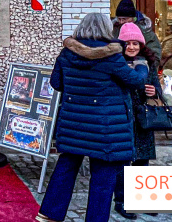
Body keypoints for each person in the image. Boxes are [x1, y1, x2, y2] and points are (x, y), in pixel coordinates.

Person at [36, 13, 147, 222]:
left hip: (73, 124)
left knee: (65, 168)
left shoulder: (66, 54)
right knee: (103, 179)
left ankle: (49, 214)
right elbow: (135, 81)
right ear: (106, 29)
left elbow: (56, 83)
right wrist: (142, 66)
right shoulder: (112, 56)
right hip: (105, 128)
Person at [113, 23, 162, 220]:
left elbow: (157, 89)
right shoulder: (115, 63)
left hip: (142, 119)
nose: (132, 47)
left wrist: (153, 91)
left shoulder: (148, 63)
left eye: (135, 43)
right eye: (127, 43)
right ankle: (121, 201)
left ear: (141, 45)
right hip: (122, 118)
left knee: (142, 161)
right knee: (122, 161)